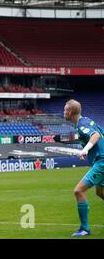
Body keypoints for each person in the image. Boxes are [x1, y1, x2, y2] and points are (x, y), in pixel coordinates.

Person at [64, 99, 104, 237]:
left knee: (78, 191)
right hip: (99, 161)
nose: (64, 112)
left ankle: (84, 229)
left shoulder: (82, 125)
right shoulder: (87, 121)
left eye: (65, 110)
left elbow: (96, 135)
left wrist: (86, 149)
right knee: (100, 192)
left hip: (102, 162)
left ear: (69, 112)